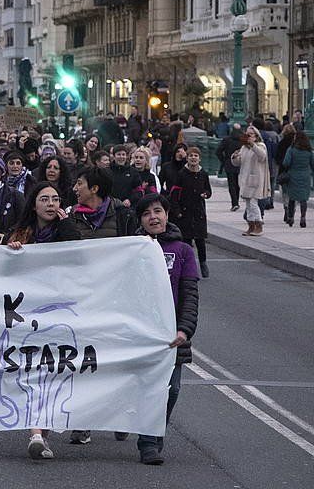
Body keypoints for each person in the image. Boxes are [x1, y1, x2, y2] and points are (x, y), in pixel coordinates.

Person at [133, 193, 199, 466]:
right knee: (141, 386)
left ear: (167, 215)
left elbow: (190, 294)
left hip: (171, 336)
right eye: (147, 213)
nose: (153, 217)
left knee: (171, 390)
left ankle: (153, 438)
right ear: (140, 220)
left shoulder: (183, 251)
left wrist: (184, 330)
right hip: (138, 333)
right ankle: (147, 442)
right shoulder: (130, 248)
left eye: (158, 211)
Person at [171, 147, 211, 277]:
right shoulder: (182, 174)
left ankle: (203, 263)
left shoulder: (203, 174)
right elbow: (175, 193)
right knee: (187, 241)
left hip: (198, 211)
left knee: (200, 240)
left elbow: (208, 190)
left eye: (196, 156)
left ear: (199, 158)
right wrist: (177, 211)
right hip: (185, 212)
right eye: (191, 156)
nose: (193, 158)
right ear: (187, 158)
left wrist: (206, 194)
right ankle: (188, 266)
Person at [231, 125, 270, 236]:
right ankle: (251, 225)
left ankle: (259, 225)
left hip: (255, 179)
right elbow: (237, 163)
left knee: (253, 203)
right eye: (246, 134)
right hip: (245, 178)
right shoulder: (244, 148)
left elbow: (262, 156)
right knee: (248, 204)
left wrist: (252, 145)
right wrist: (234, 157)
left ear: (256, 136)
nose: (248, 137)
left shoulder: (260, 146)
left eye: (250, 134)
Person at [282, 130, 314, 228]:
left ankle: (291, 217)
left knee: (292, 198)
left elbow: (286, 163)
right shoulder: (309, 151)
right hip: (305, 176)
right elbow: (313, 164)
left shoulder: (291, 149)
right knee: (303, 199)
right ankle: (303, 218)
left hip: (293, 176)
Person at [216, 123, 243, 210]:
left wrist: (223, 160)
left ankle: (234, 203)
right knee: (238, 184)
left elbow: (218, 151)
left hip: (229, 163)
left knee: (231, 184)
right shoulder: (243, 140)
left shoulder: (227, 139)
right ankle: (237, 201)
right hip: (240, 163)